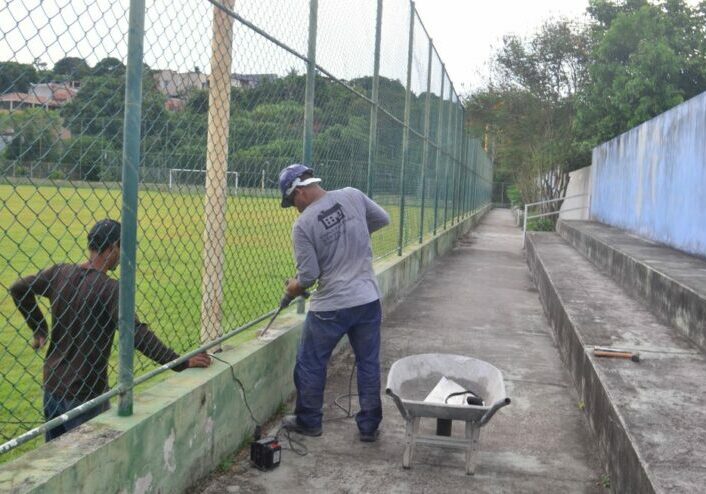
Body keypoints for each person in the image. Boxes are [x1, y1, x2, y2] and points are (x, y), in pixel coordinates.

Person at [9, 219, 211, 441]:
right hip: (85, 395)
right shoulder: (110, 289)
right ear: (114, 247)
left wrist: (39, 327)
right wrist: (180, 362)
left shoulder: (60, 273)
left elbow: (18, 289)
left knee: (56, 456)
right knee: (89, 461)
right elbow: (136, 333)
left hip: (52, 386)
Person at [277, 163, 390, 442]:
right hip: (366, 299)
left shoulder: (303, 225)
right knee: (368, 363)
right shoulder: (352, 194)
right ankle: (369, 427)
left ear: (299, 192)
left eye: (292, 202)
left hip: (331, 305)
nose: (295, 208)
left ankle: (309, 422)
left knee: (311, 363)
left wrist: (293, 287)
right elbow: (382, 219)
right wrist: (353, 239)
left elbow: (309, 276)